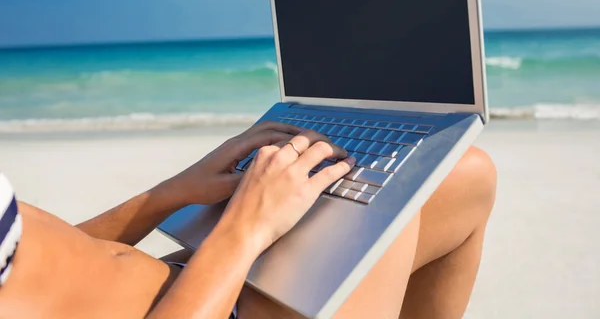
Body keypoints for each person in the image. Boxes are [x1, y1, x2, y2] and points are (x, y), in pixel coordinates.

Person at [0, 121, 496, 318]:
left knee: (460, 173)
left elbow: (24, 257)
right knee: (453, 175)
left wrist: (168, 194)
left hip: (196, 282)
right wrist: (247, 228)